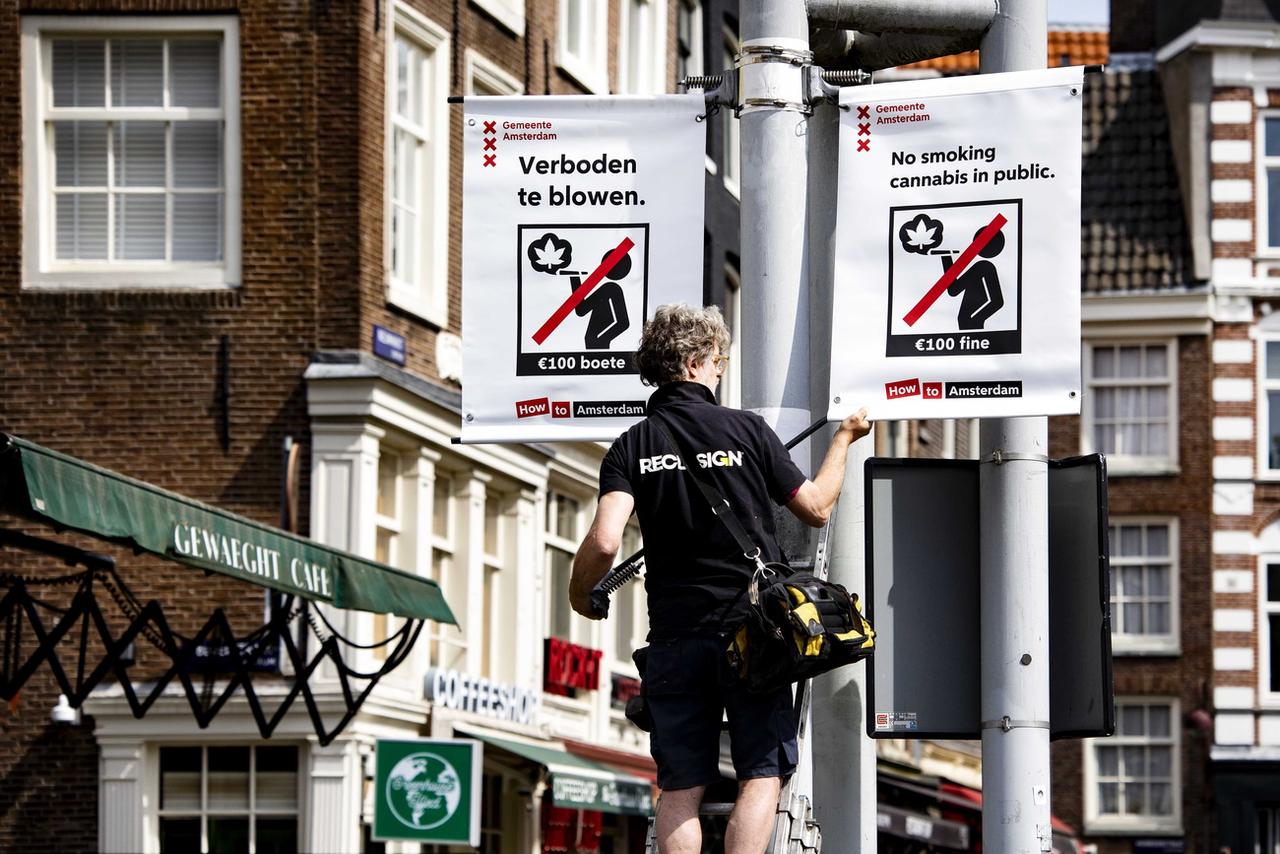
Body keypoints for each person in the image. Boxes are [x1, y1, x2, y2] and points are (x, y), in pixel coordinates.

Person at [568, 303, 872, 854]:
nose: (720, 371)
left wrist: (579, 593)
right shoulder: (746, 430)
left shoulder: (630, 446)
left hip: (676, 640)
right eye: (717, 362)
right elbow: (817, 507)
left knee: (681, 783)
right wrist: (845, 437)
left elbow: (607, 539)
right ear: (693, 362)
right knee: (760, 771)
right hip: (753, 633)